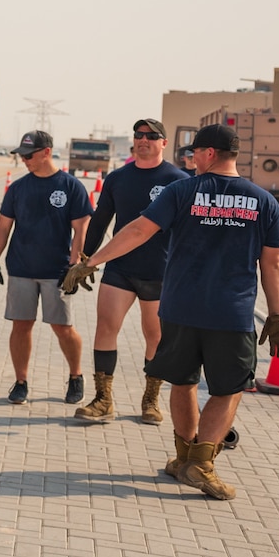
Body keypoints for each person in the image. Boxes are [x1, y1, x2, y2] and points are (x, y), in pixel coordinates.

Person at [66, 122, 279, 500]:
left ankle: (187, 456)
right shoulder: (263, 201)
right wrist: (277, 315)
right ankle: (200, 463)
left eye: (195, 154)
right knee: (229, 389)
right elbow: (271, 265)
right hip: (231, 314)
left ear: (207, 154)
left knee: (183, 382)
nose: (191, 160)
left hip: (180, 308)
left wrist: (90, 263)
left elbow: (137, 231)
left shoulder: (182, 190)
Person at [71, 119, 185, 424]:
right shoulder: (118, 178)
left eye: (151, 136)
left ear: (164, 143)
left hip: (160, 271)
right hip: (120, 267)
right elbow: (100, 221)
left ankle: (151, 400)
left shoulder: (178, 179)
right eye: (138, 135)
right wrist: (81, 261)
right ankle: (103, 399)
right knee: (106, 327)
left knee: (155, 336)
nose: (143, 140)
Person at [0, 130, 90, 406]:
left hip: (56, 272)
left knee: (62, 327)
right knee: (21, 326)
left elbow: (81, 229)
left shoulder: (71, 187)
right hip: (20, 268)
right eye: (22, 156)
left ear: (46, 152)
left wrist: (74, 266)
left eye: (29, 155)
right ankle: (21, 382)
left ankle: (76, 376)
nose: (24, 161)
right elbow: (3, 227)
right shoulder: (18, 188)